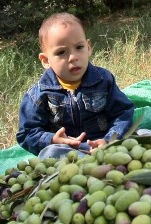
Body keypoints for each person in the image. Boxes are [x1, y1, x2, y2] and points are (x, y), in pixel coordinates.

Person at [17, 12, 136, 159]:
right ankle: (88, 165)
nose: (73, 57)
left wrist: (109, 139)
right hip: (68, 151)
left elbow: (123, 113)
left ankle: (105, 160)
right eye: (61, 52)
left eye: (79, 47)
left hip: (104, 143)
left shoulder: (103, 80)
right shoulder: (39, 94)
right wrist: (52, 139)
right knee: (50, 153)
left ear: (88, 47)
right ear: (46, 60)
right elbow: (27, 133)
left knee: (143, 134)